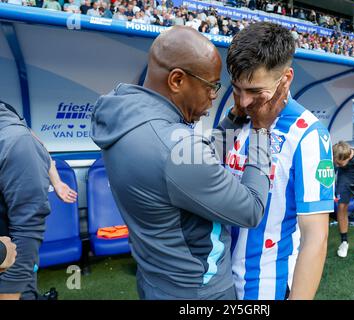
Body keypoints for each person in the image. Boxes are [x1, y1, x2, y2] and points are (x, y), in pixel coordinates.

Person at [90, 26, 288, 300]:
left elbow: (188, 163)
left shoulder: (125, 118)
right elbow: (251, 209)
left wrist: (233, 118)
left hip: (154, 280)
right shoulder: (175, 147)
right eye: (211, 86)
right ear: (177, 80)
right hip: (199, 291)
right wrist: (260, 130)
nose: (214, 96)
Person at [225, 22, 333, 300]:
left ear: (285, 79)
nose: (245, 100)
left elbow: (316, 238)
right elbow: (209, 165)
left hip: (264, 288)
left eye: (256, 92)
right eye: (237, 88)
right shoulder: (238, 116)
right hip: (220, 282)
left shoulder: (308, 134)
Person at [0, 101, 77, 300]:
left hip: (10, 259)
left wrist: (57, 182)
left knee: (23, 289)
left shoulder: (15, 139)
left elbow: (27, 229)